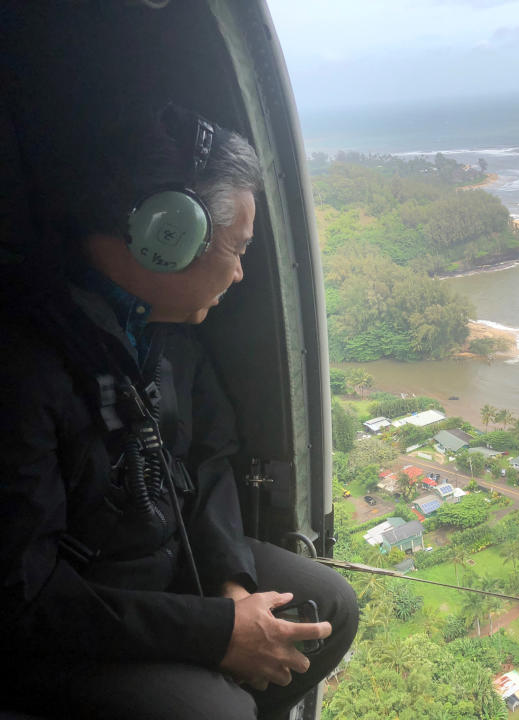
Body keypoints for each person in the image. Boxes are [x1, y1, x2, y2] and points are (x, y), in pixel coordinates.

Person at [0, 102, 358, 719]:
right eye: (237, 249)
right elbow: (25, 594)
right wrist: (217, 632)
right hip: (61, 626)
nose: (242, 274)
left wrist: (230, 582)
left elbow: (211, 457)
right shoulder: (24, 365)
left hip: (161, 573)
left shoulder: (167, 336)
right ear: (170, 237)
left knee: (330, 605)